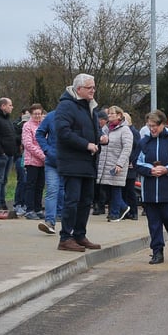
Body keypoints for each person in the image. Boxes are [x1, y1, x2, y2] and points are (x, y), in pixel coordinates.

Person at [55, 73, 103, 253]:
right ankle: (65, 237)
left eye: (94, 87)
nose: (93, 90)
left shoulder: (90, 107)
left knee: (85, 201)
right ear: (79, 89)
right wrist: (86, 144)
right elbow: (63, 132)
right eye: (89, 87)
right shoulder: (66, 106)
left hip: (88, 163)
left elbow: (93, 130)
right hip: (72, 162)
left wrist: (100, 138)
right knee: (72, 201)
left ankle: (79, 234)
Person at [135, 109, 168, 264]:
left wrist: (167, 170)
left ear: (162, 124)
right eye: (149, 126)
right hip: (149, 191)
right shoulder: (143, 142)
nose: (152, 129)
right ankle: (157, 252)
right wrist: (150, 170)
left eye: (154, 126)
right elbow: (136, 162)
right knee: (154, 223)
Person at [96, 105, 134, 222]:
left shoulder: (125, 130)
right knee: (107, 189)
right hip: (105, 164)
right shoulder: (106, 129)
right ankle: (120, 208)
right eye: (109, 113)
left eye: (112, 114)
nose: (109, 116)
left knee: (115, 188)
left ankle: (116, 213)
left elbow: (127, 148)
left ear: (119, 115)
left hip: (116, 164)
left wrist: (120, 164)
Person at [35, 108, 64, 236]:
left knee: (65, 191)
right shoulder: (51, 116)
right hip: (53, 161)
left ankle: (64, 218)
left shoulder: (76, 115)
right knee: (52, 190)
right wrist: (47, 150)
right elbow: (39, 134)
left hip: (70, 162)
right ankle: (50, 222)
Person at [20, 104, 47, 220]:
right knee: (31, 185)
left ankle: (38, 208)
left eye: (39, 114)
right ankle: (29, 209)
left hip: (43, 161)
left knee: (40, 186)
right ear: (31, 114)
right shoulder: (27, 126)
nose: (37, 116)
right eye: (35, 114)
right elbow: (28, 144)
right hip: (32, 161)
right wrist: (43, 155)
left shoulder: (43, 125)